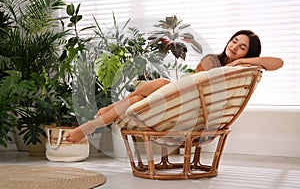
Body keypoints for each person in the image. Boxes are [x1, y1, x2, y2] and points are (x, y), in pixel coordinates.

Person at [65, 30, 283, 143]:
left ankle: (93, 124)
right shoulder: (212, 60)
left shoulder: (237, 68)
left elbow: (278, 63)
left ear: (249, 53)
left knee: (153, 88)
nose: (235, 46)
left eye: (242, 47)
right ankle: (91, 126)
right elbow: (195, 83)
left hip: (192, 108)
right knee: (143, 96)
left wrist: (240, 63)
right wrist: (236, 62)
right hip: (184, 100)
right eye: (235, 40)